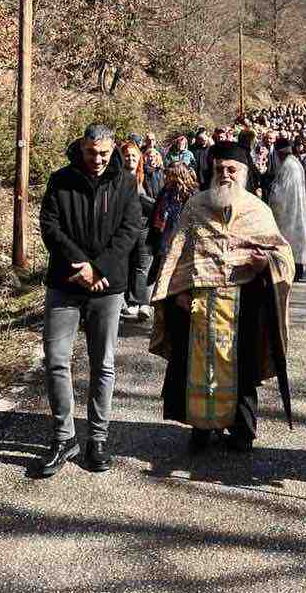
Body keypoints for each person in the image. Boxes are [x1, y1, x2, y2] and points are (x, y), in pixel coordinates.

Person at [150, 141, 295, 454]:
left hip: (244, 305)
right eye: (220, 169)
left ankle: (242, 431)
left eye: (232, 169)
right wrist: (178, 293)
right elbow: (177, 255)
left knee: (242, 370)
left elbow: (284, 257)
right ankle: (201, 428)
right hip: (198, 306)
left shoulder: (258, 210)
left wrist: (265, 264)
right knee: (195, 368)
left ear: (244, 173)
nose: (225, 174)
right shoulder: (195, 207)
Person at [38, 124, 142, 477]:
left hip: (107, 285)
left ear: (112, 151)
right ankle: (63, 437)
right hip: (65, 282)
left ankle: (97, 438)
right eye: (90, 152)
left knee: (103, 364)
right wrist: (80, 266)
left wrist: (98, 269)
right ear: (81, 149)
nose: (97, 159)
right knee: (56, 359)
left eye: (103, 153)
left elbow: (129, 231)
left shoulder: (126, 183)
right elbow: (50, 227)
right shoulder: (60, 180)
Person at [119, 140, 155, 321]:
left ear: (139, 158)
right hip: (123, 226)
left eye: (134, 155)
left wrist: (142, 199)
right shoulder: (116, 177)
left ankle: (141, 302)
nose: (130, 158)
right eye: (127, 155)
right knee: (124, 263)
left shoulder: (148, 176)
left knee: (142, 265)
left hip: (145, 226)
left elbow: (157, 201)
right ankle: (126, 301)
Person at [146, 162, 198, 286]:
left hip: (179, 239)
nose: (166, 177)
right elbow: (156, 212)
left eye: (169, 175)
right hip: (161, 236)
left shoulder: (191, 194)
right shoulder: (166, 190)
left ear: (178, 175)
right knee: (157, 273)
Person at [268, 138, 306, 282]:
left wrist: (271, 193)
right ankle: (297, 271)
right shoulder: (295, 163)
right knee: (296, 241)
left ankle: (293, 272)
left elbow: (279, 194)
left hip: (288, 211)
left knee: (291, 242)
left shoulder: (288, 167)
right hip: (295, 209)